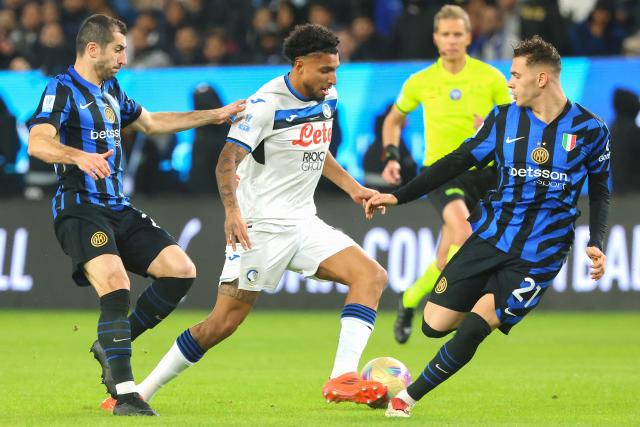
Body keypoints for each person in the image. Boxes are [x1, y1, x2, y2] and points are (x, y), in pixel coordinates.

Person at [100, 23, 389, 411]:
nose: (332, 78)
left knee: (370, 276)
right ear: (299, 65)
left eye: (336, 69)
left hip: (304, 223)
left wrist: (354, 188)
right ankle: (140, 392)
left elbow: (318, 150)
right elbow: (226, 160)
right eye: (325, 70)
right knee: (222, 324)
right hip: (260, 228)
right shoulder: (264, 105)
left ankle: (341, 377)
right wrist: (232, 213)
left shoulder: (328, 96)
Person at [366, 35, 610, 418]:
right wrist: (398, 196)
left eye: (515, 75)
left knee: (477, 326)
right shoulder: (502, 119)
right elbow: (456, 161)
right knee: (434, 323)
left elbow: (599, 190)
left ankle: (406, 399)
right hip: (491, 235)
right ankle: (477, 305)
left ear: (542, 79)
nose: (509, 83)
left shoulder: (591, 130)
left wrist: (596, 241)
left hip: (539, 254)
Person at [26, 14, 245, 416]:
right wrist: (78, 156)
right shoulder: (60, 89)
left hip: (117, 207)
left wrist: (214, 115)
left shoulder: (112, 90)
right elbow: (38, 142)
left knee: (180, 269)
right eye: (119, 49)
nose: (125, 57)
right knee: (114, 280)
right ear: (93, 49)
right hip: (79, 206)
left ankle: (112, 340)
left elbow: (152, 122)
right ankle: (126, 394)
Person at [381, 4, 512, 344]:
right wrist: (392, 155)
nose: (452, 40)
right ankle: (461, 302)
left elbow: (516, 123)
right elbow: (393, 120)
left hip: (484, 175)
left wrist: (493, 130)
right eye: (445, 34)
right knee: (463, 231)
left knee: (446, 256)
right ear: (436, 38)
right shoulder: (421, 81)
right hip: (442, 175)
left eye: (458, 34)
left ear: (469, 37)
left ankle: (409, 300)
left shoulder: (491, 78)